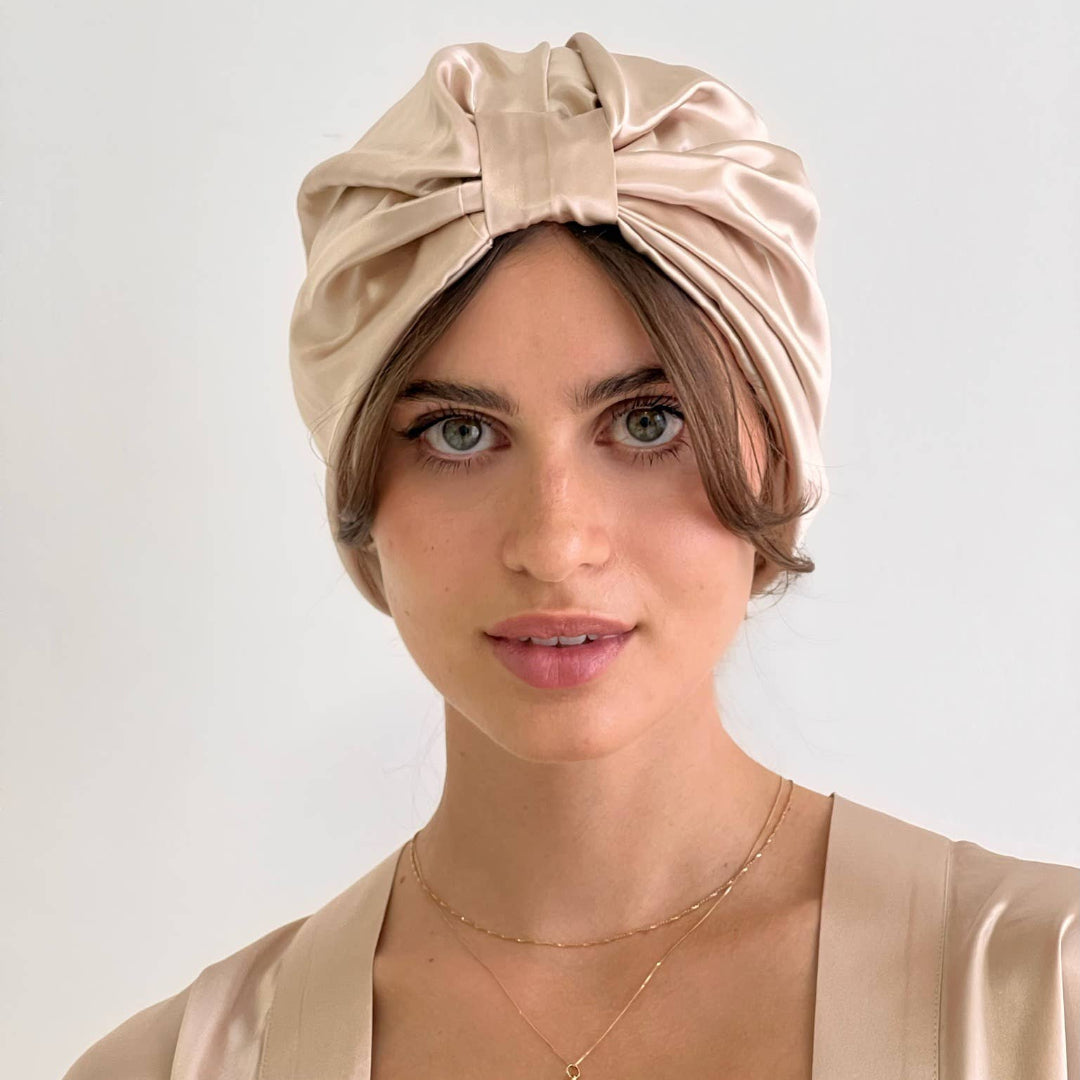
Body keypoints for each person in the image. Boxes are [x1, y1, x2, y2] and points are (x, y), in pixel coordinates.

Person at [62, 32, 1077, 1080]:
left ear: (775, 458)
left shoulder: (1046, 994)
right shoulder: (177, 1067)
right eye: (458, 433)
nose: (554, 545)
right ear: (362, 490)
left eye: (647, 424)